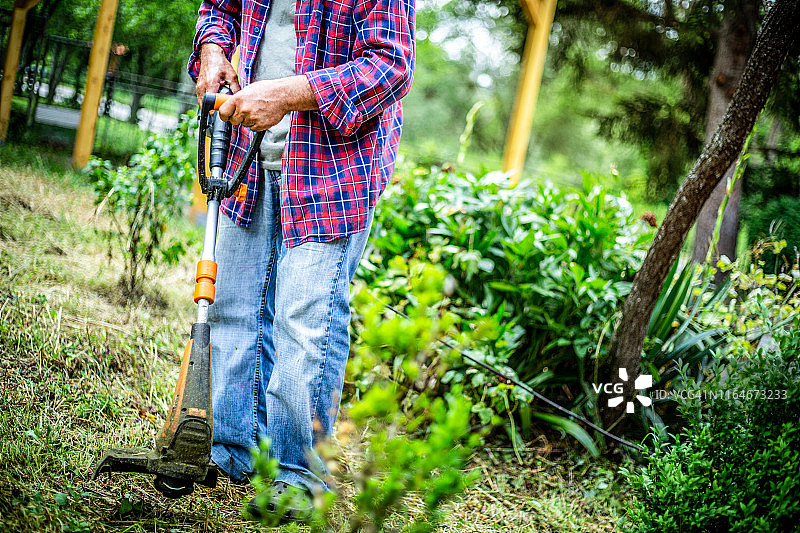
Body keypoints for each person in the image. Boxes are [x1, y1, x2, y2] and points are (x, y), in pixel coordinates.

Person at [188, 0, 416, 522]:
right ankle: (235, 451)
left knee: (303, 323)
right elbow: (219, 6)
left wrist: (290, 93)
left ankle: (297, 475)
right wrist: (214, 49)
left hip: (331, 170)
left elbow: (390, 65)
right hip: (249, 150)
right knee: (232, 308)